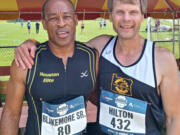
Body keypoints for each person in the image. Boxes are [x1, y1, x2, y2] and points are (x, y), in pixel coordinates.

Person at [13, 0, 180, 135]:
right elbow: (61, 46)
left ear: (142, 16)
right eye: (119, 12)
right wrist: (31, 44)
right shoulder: (100, 47)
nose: (126, 19)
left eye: (133, 12)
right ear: (111, 17)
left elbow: (174, 118)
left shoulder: (162, 59)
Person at [0, 0, 98, 135]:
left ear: (75, 20)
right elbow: (11, 114)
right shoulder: (26, 62)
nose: (61, 23)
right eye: (53, 18)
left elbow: (96, 94)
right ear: (44, 24)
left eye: (67, 16)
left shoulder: (91, 56)